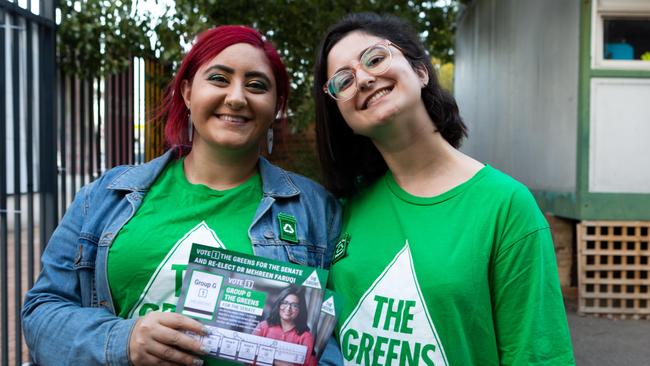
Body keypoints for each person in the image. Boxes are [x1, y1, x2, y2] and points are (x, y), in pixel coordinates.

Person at [22, 25, 341, 366]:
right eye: (219, 78)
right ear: (187, 92)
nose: (236, 97)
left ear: (276, 106)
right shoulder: (107, 194)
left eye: (256, 85)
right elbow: (41, 313)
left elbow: (332, 345)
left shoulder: (314, 209)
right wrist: (123, 341)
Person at [312, 13, 575, 365]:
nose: (362, 79)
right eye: (342, 80)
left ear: (420, 71)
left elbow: (537, 356)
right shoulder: (339, 209)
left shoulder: (506, 206)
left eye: (375, 59)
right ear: (342, 115)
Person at [253, 286, 315, 366]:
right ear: (279, 304)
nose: (288, 308)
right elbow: (249, 356)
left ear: (300, 310)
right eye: (285, 303)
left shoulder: (306, 336)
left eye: (294, 305)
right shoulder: (263, 326)